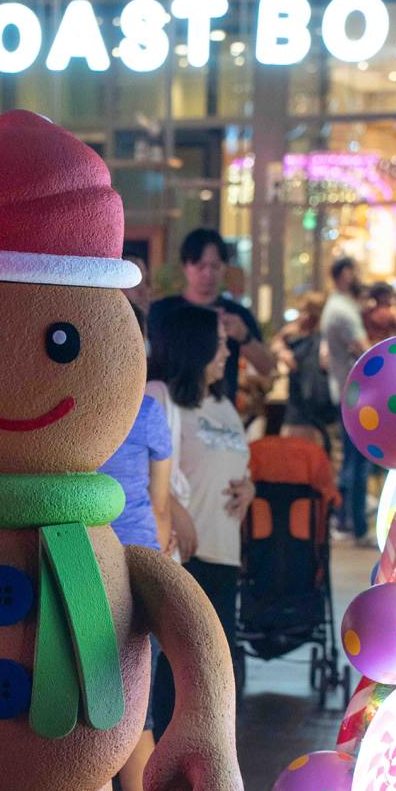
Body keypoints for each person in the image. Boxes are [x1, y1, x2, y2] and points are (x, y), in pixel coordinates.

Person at [149, 306, 254, 731]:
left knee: (210, 673)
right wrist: (175, 511)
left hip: (223, 552)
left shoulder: (223, 403)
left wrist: (250, 488)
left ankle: (198, 760)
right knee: (172, 671)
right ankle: (162, 761)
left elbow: (236, 464)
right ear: (195, 345)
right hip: (179, 556)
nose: (226, 352)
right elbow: (135, 466)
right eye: (220, 342)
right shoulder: (159, 397)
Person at [99, 305, 173, 791]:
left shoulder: (71, 408)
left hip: (80, 565)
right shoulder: (147, 412)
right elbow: (161, 503)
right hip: (140, 568)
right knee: (136, 718)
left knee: (85, 717)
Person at [148, 229, 274, 404]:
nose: (208, 274)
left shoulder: (236, 314)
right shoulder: (162, 311)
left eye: (215, 266)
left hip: (220, 405)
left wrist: (244, 336)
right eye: (200, 266)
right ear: (186, 267)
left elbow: (267, 367)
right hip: (170, 404)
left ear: (224, 267)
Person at [320, 257, 370, 543]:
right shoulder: (342, 310)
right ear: (345, 274)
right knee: (357, 462)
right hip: (355, 394)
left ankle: (345, 520)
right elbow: (365, 350)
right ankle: (355, 524)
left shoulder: (335, 307)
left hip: (345, 391)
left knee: (351, 460)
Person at [271, 292, 336, 449]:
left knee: (301, 453)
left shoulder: (320, 339)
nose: (302, 316)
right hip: (300, 404)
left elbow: (319, 364)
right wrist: (282, 348)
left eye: (306, 311)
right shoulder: (298, 334)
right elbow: (276, 344)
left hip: (309, 407)